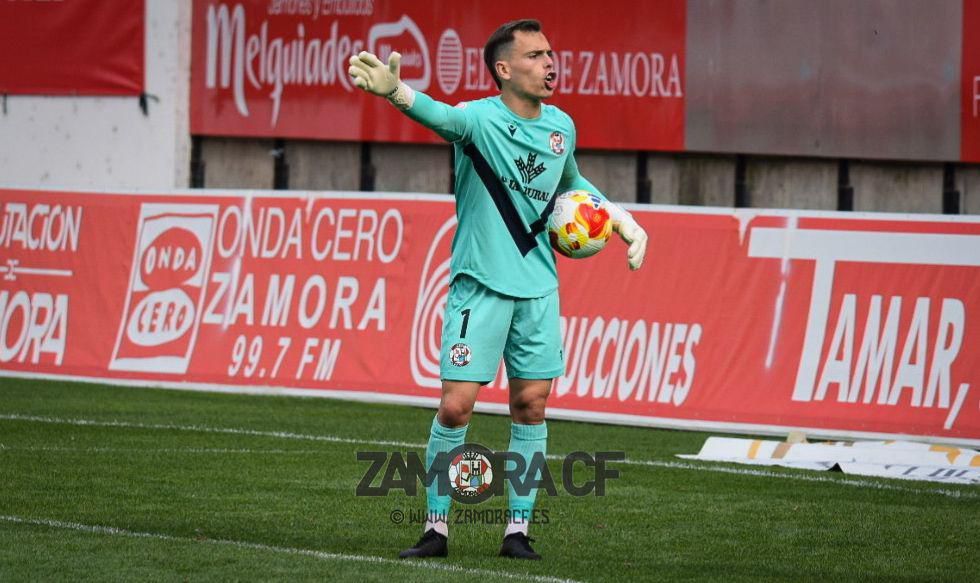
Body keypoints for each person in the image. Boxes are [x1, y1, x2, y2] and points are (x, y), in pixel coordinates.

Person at [348, 19, 647, 560]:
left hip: (537, 288)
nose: (550, 63)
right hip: (479, 285)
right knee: (457, 407)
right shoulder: (478, 119)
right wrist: (397, 92)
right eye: (535, 55)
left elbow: (572, 184)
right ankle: (436, 529)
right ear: (504, 70)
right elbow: (438, 115)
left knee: (532, 406)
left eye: (551, 53)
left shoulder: (561, 128)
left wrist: (620, 217)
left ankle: (517, 532)